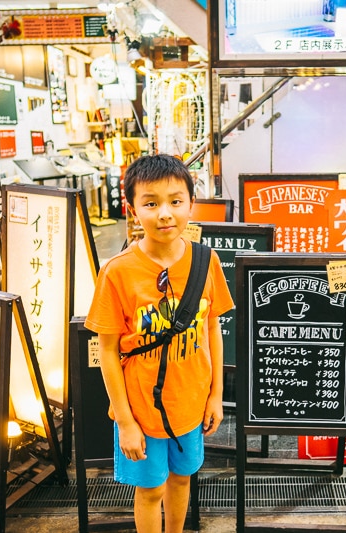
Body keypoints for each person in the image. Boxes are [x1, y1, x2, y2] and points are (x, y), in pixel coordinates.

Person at [85, 154, 233, 532]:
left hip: (192, 404)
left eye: (175, 201)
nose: (165, 213)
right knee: (151, 490)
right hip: (140, 412)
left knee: (182, 480)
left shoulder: (206, 261)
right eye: (150, 203)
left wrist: (216, 395)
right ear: (132, 209)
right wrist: (125, 420)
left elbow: (212, 329)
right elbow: (106, 349)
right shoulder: (117, 272)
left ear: (190, 203)